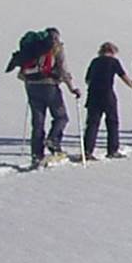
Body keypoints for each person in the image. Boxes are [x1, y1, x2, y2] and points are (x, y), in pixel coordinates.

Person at [19, 26, 80, 166]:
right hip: (50, 86)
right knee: (61, 116)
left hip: (31, 87)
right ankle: (53, 141)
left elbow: (22, 73)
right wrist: (72, 88)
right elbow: (63, 69)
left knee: (37, 122)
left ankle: (36, 154)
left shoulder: (32, 47)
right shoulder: (56, 48)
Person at [84, 42, 132, 160]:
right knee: (112, 122)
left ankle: (87, 151)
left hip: (93, 95)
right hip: (107, 94)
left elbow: (87, 79)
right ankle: (112, 150)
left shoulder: (95, 61)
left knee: (92, 124)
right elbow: (122, 75)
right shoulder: (113, 62)